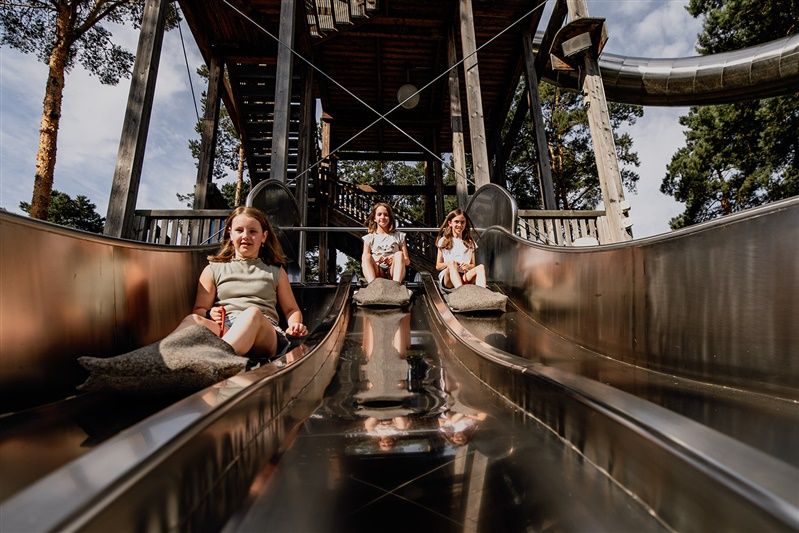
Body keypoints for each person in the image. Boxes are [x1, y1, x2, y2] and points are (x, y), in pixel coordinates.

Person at [172, 206, 307, 357]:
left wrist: (294, 325)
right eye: (239, 230)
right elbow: (199, 309)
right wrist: (209, 313)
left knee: (252, 314)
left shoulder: (275, 271)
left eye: (253, 231)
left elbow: (291, 310)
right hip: (226, 328)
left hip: (264, 331)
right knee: (193, 320)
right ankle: (163, 356)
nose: (245, 236)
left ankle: (218, 359)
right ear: (230, 234)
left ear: (263, 236)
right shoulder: (213, 269)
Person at [435, 208, 486, 289]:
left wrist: (467, 266)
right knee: (452, 264)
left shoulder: (470, 242)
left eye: (462, 222)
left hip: (464, 275)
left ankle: (483, 293)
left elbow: (473, 265)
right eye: (456, 222)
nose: (460, 225)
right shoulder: (443, 241)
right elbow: (438, 266)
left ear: (465, 223)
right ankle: (460, 292)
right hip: (448, 279)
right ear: (450, 223)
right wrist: (449, 263)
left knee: (481, 267)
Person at [361, 202, 410, 283]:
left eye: (386, 215)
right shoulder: (369, 238)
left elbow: (407, 261)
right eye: (379, 214)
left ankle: (395, 285)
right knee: (366, 256)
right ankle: (372, 285)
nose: (383, 217)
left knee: (399, 254)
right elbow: (365, 260)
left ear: (390, 217)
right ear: (374, 218)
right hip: (377, 270)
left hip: (394, 269)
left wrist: (393, 259)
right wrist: (377, 261)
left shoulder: (399, 236)